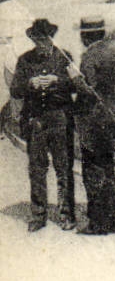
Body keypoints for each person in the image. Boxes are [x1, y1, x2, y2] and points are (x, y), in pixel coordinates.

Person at [7, 19, 80, 232]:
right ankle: (38, 215)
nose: (42, 43)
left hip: (59, 119)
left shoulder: (64, 57)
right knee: (37, 169)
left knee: (63, 167)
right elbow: (15, 90)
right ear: (33, 39)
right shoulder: (25, 60)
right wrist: (30, 83)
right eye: (37, 39)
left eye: (45, 39)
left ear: (51, 38)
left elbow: (77, 85)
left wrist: (57, 81)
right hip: (36, 121)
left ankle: (66, 214)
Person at [75, 15, 115, 235]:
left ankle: (98, 223)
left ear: (86, 35)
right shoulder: (114, 53)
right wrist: (113, 104)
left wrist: (75, 80)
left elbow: (88, 90)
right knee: (108, 170)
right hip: (111, 119)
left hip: (92, 123)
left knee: (93, 171)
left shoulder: (90, 57)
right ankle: (113, 221)